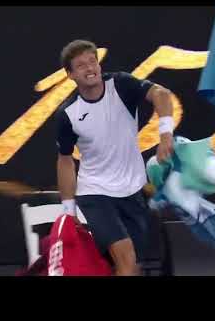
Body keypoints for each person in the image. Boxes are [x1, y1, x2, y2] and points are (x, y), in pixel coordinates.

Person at [55, 40, 174, 276]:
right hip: (95, 193)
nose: (90, 68)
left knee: (130, 267)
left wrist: (166, 135)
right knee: (127, 258)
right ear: (70, 75)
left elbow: (161, 94)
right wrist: (69, 210)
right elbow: (65, 160)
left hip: (133, 191)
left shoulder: (121, 85)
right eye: (81, 65)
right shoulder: (68, 113)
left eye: (92, 61)